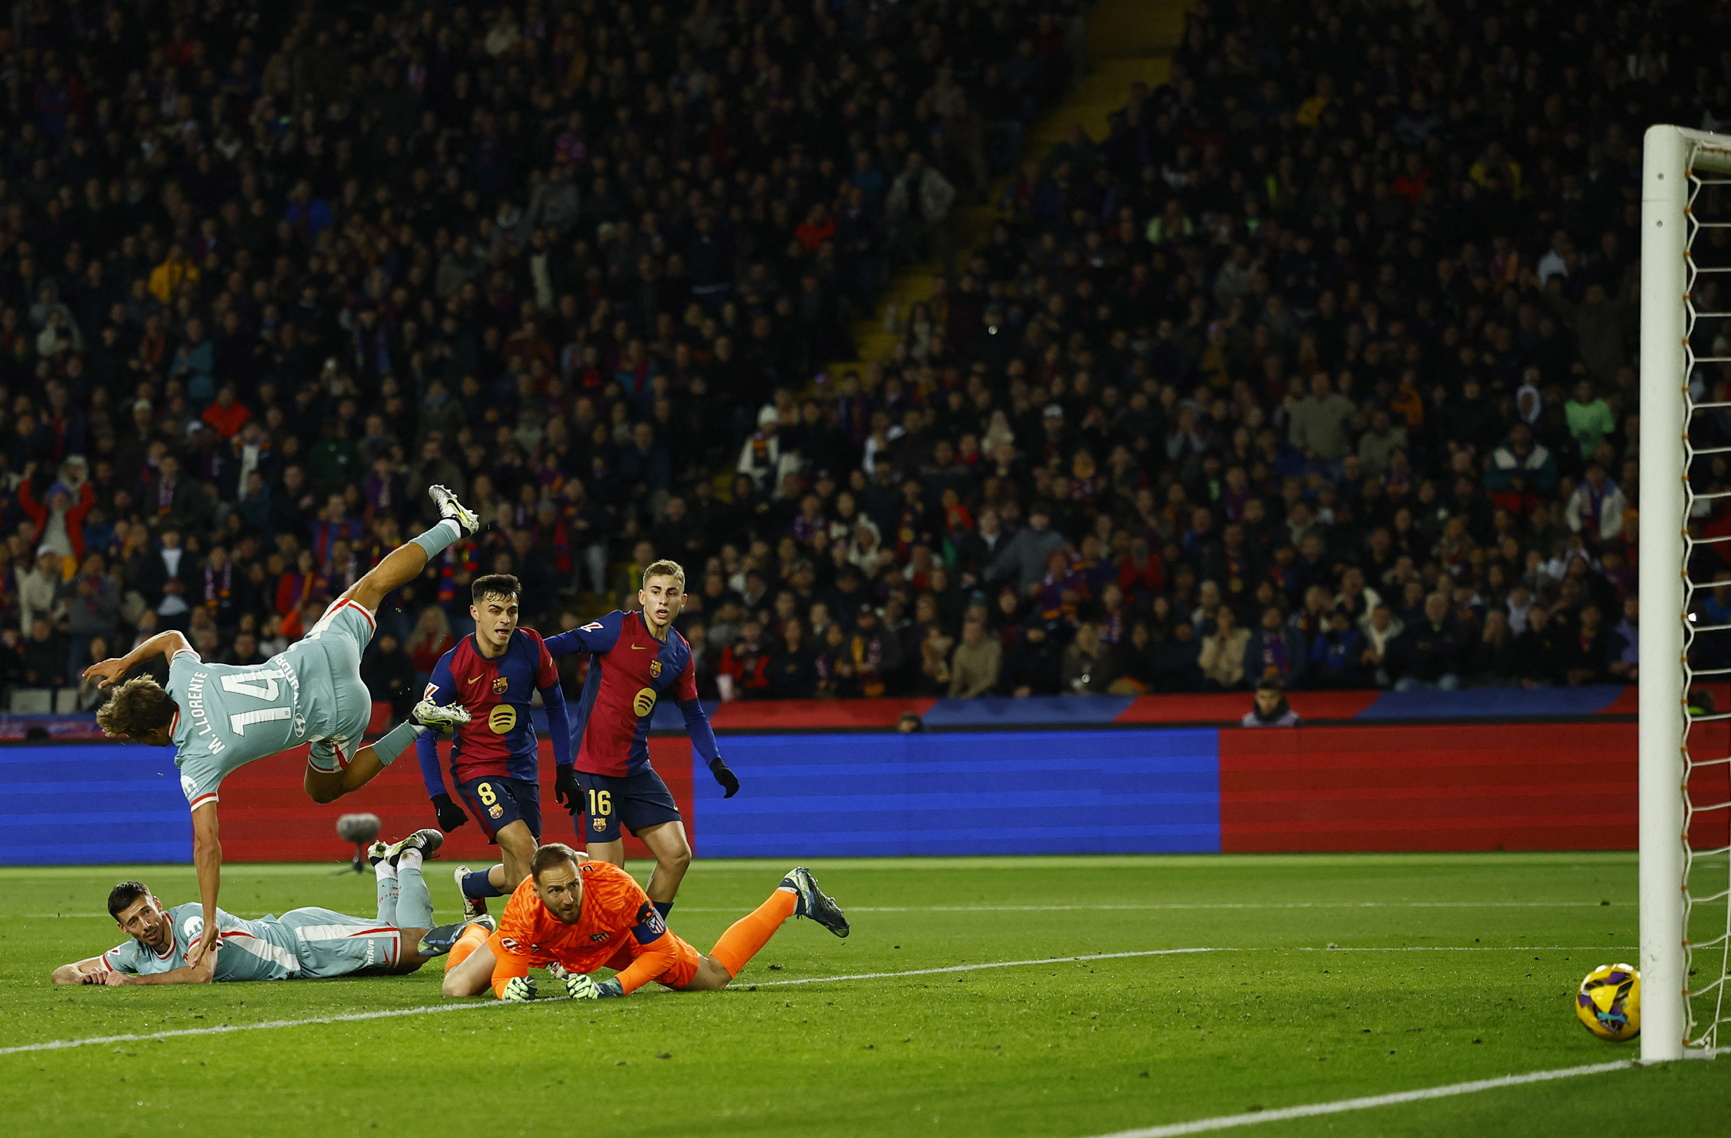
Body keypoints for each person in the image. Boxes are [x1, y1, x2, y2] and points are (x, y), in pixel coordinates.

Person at [80, 486, 480, 969]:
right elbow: (172, 638)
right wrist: (127, 660)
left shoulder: (195, 762)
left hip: (341, 712)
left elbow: (207, 844)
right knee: (372, 585)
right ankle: (454, 526)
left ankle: (418, 722)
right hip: (321, 653)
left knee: (327, 788)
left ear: (146, 735)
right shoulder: (184, 677)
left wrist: (209, 918)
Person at [544, 560, 738, 918]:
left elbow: (693, 713)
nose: (663, 600)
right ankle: (554, 924)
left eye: (671, 593)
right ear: (642, 597)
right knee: (611, 879)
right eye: (656, 592)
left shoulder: (679, 652)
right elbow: (556, 646)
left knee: (677, 855)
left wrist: (716, 762)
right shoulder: (617, 627)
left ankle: (647, 936)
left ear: (684, 600)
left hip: (636, 770)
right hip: (593, 767)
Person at [51, 831, 475, 985]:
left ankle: (413, 862)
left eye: (146, 911)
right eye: (133, 922)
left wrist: (135, 985)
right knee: (399, 958)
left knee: (415, 948)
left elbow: (201, 974)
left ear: (157, 904)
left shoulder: (193, 918)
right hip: (302, 965)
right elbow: (63, 973)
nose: (145, 924)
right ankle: (388, 863)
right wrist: (89, 978)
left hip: (304, 942)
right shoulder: (134, 954)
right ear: (124, 931)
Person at [440, 843, 847, 1001]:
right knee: (456, 987)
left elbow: (662, 950)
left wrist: (615, 987)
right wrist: (508, 989)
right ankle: (473, 930)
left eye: (573, 886)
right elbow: (508, 972)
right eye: (555, 892)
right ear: (537, 891)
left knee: (714, 976)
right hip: (545, 947)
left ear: (583, 876)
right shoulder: (523, 907)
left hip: (616, 943)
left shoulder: (617, 888)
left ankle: (790, 894)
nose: (567, 897)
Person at [416, 573, 574, 921]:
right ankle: (542, 945)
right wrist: (439, 796)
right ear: (475, 612)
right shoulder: (452, 667)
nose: (505, 619)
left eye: (512, 611)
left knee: (519, 869)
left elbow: (556, 706)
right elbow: (424, 732)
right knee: (529, 851)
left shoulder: (531, 646)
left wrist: (565, 768)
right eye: (495, 610)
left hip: (523, 768)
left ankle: (471, 886)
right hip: (478, 769)